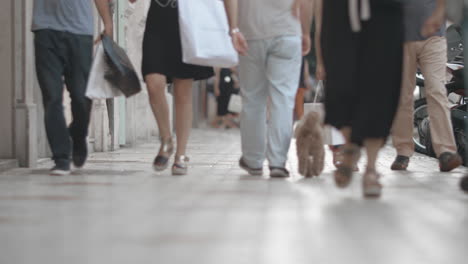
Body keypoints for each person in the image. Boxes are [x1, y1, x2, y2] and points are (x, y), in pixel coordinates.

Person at [132, 0, 238, 175]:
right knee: (153, 83)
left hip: (189, 24)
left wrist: (233, 28)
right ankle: (166, 139)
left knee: (183, 92)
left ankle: (181, 154)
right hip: (157, 22)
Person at [315, 0, 404, 197]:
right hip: (340, 9)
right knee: (340, 83)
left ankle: (371, 168)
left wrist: (440, 8)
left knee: (380, 86)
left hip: (384, 11)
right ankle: (350, 145)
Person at [225, 0, 313, 178]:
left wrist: (233, 28)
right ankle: (278, 162)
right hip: (288, 31)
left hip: (251, 32)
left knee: (252, 99)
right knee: (283, 99)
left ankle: (253, 160)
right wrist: (305, 32)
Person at [32, 0, 113, 175]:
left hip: (80, 31)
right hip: (46, 29)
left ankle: (78, 134)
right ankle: (61, 158)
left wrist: (107, 22)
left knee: (81, 95)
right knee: (51, 95)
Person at [390, 0, 462, 172]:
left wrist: (439, 15)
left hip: (434, 37)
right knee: (403, 95)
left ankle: (446, 152)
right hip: (401, 38)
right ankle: (403, 151)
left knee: (437, 90)